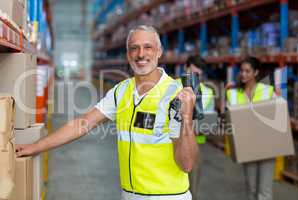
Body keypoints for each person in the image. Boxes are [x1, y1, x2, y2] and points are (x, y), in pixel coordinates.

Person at [16, 25, 199, 200]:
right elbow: (84, 123)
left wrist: (186, 118)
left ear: (159, 52)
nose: (141, 54)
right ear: (128, 55)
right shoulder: (121, 92)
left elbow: (187, 164)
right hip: (130, 195)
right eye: (134, 48)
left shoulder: (175, 94)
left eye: (148, 47)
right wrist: (36, 146)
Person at [226, 56, 276, 200]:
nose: (243, 74)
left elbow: (278, 115)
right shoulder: (233, 93)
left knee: (264, 190)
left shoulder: (268, 91)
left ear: (256, 72)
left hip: (267, 146)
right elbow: (231, 119)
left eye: (248, 71)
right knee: (251, 188)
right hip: (247, 146)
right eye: (242, 71)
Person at [179, 55, 215, 200]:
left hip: (195, 145)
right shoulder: (171, 87)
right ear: (185, 68)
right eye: (192, 73)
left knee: (192, 189)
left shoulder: (208, 92)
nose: (194, 78)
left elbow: (208, 123)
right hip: (170, 144)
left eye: (198, 75)